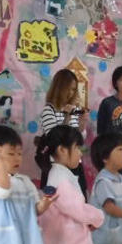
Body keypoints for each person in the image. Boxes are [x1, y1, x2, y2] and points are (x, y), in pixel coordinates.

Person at [40, 68, 88, 196]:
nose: (71, 93)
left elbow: (78, 139)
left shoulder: (74, 109)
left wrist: (82, 123)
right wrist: (67, 117)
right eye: (68, 89)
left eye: (73, 89)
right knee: (56, 200)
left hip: (74, 162)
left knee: (79, 196)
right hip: (56, 163)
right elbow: (55, 138)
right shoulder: (49, 110)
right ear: (59, 88)